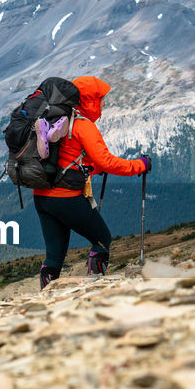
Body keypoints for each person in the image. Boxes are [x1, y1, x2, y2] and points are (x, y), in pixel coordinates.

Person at [32, 76, 150, 289]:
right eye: (101, 98)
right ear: (89, 100)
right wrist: (140, 165)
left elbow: (69, 162)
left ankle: (46, 300)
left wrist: (95, 168)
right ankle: (95, 289)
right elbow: (108, 162)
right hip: (66, 199)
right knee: (102, 238)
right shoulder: (82, 126)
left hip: (41, 197)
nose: (104, 103)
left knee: (54, 255)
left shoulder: (56, 120)